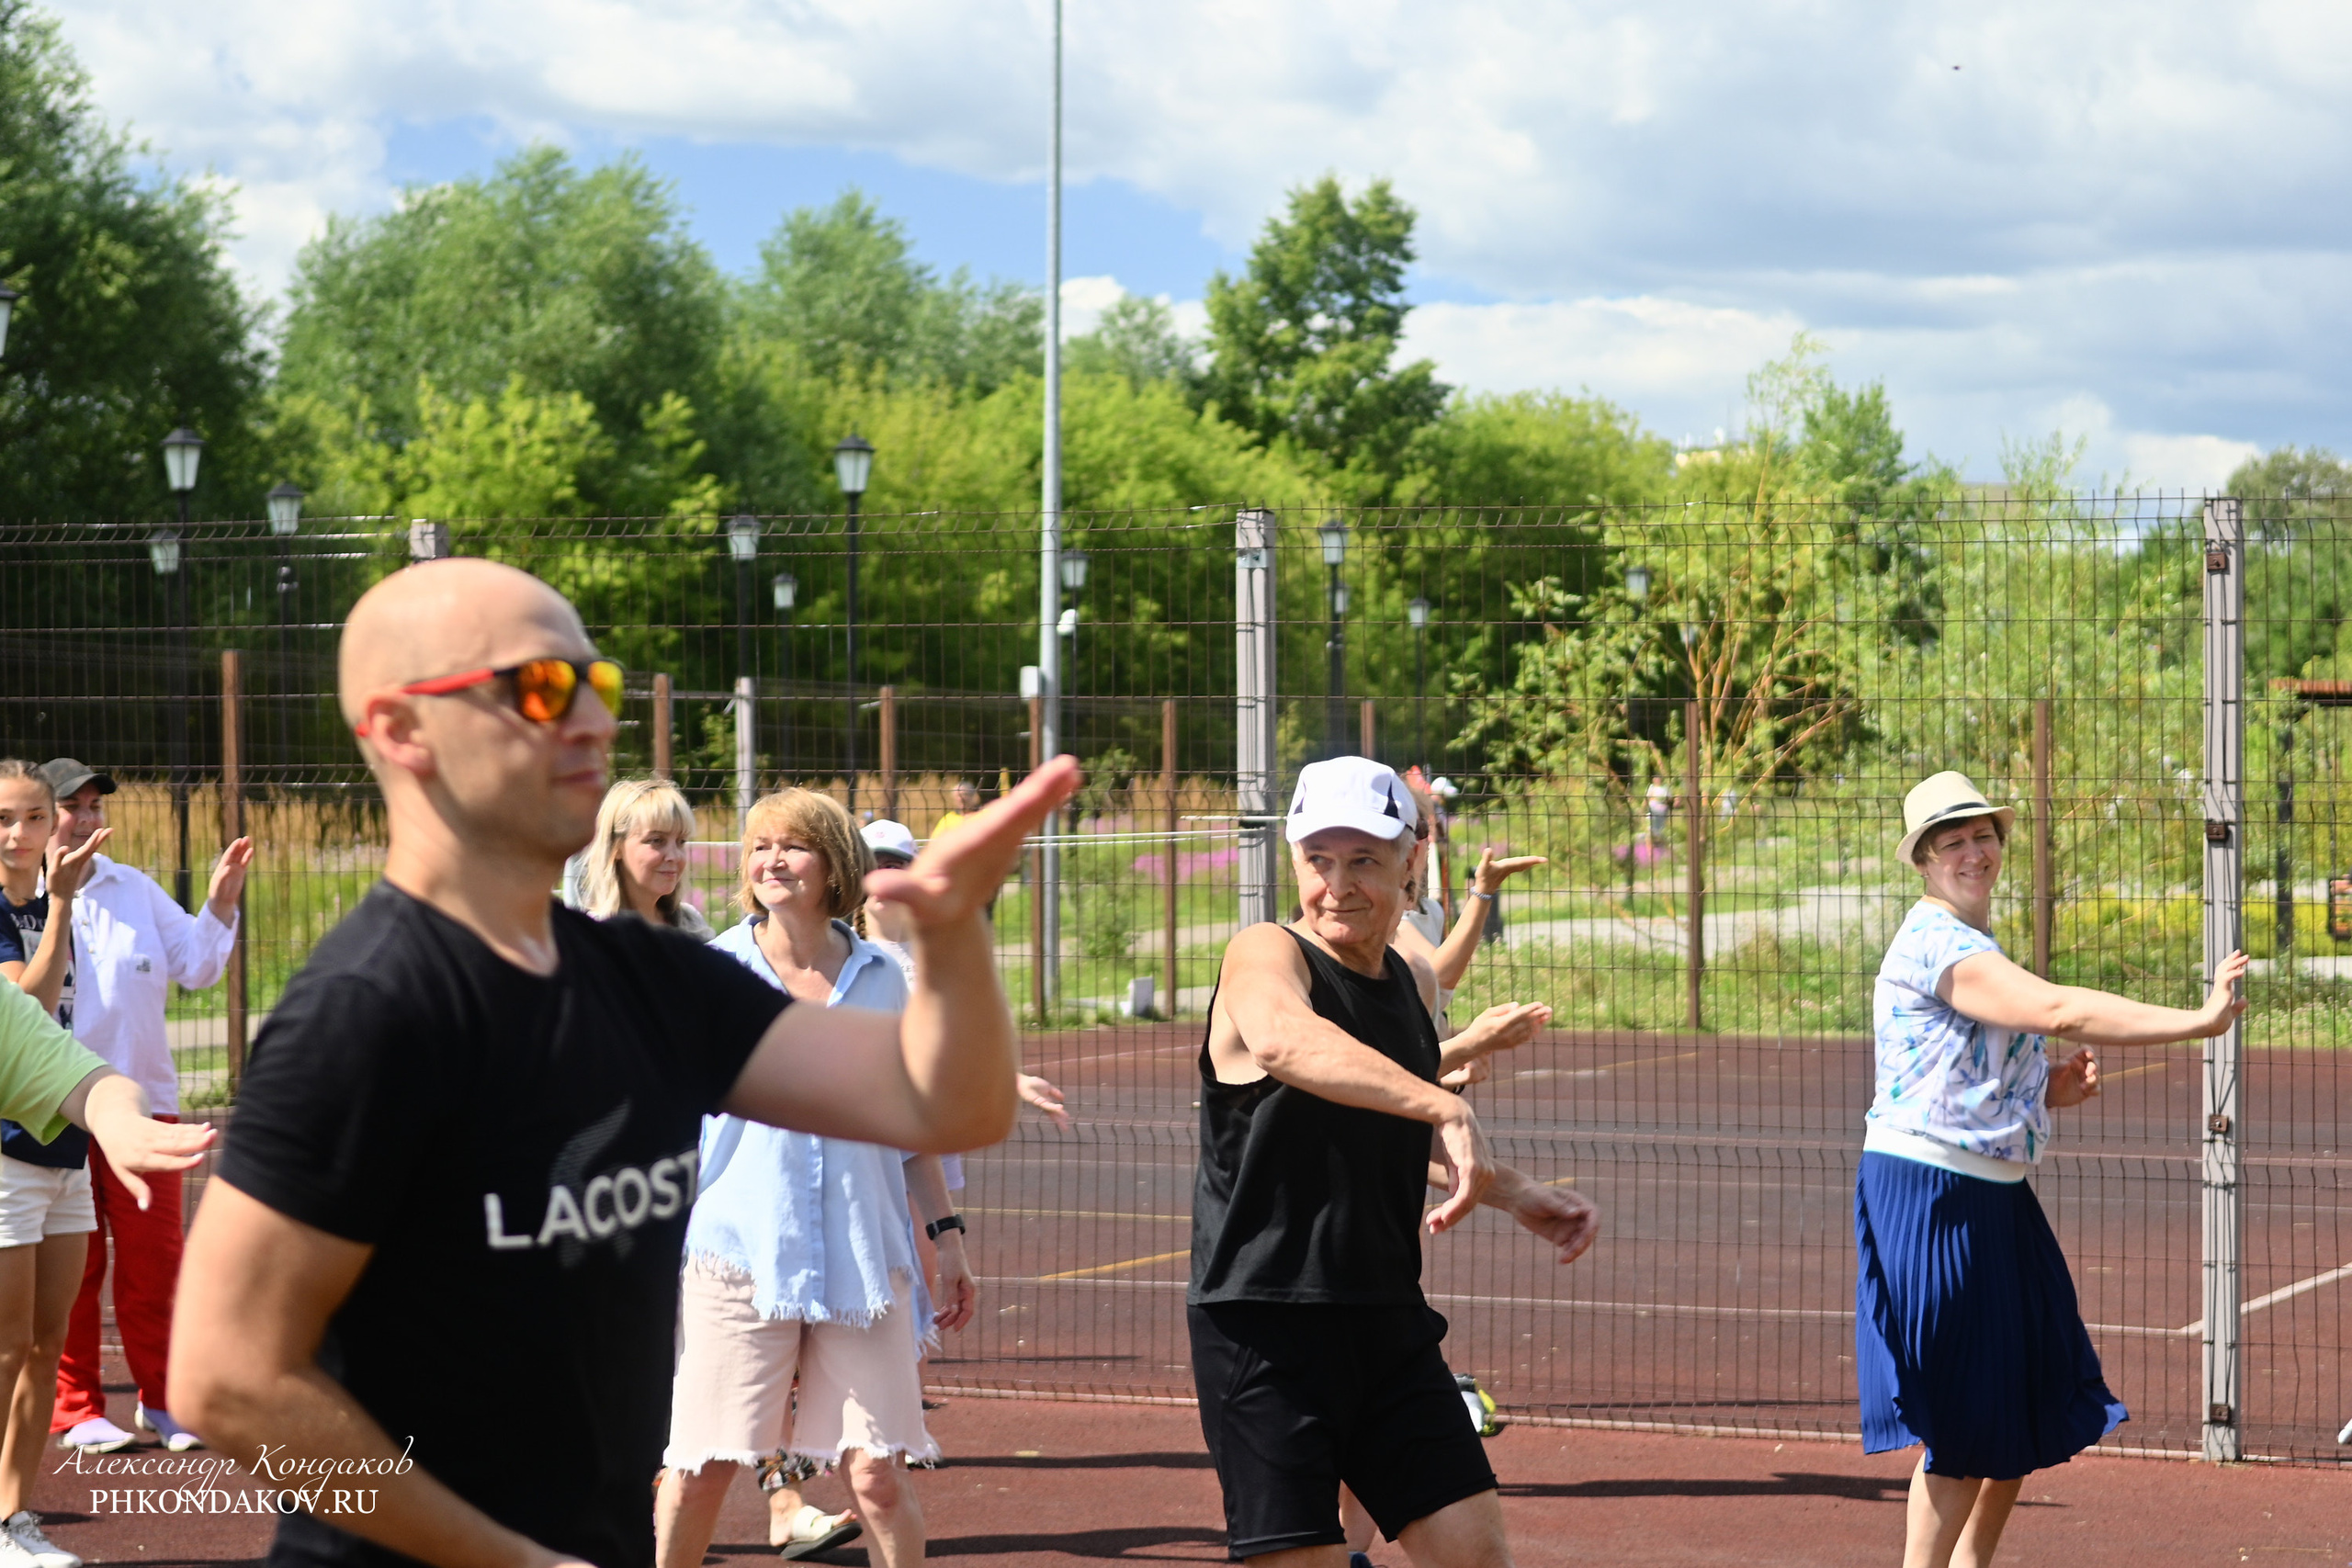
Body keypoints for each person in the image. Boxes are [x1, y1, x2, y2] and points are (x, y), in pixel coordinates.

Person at [168, 558, 1079, 1568]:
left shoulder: (649, 978)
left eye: (595, 688)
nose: (593, 723)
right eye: (540, 690)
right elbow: (223, 1380)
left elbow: (943, 1103)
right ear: (400, 729)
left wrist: (953, 933)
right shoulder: (367, 1012)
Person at [1190, 756, 1599, 1568]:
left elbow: (1380, 1127)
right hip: (1266, 1323)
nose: (1337, 885)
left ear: (1412, 862)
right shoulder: (1266, 954)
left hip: (1385, 1319)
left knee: (1474, 1553)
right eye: (1318, 861)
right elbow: (1283, 1040)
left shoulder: (1408, 979)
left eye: (1365, 861)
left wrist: (1513, 1191)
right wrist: (1444, 1100)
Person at [1860, 772, 2249, 1568]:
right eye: (1953, 841)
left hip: (1994, 1194)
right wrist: (2201, 1020)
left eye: (1984, 835)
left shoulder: (1977, 946)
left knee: (2029, 1394)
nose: (1975, 851)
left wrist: (2052, 1090)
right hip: (1932, 1194)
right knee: (1967, 1415)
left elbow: (1976, 1073)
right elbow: (2057, 1009)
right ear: (1925, 862)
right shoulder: (1937, 942)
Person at [651, 789, 965, 1568]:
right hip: (738, 1255)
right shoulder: (711, 970)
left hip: (862, 1256)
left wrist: (947, 1235)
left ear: (835, 866)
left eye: (793, 845)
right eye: (760, 845)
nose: (772, 860)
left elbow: (912, 1124)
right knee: (700, 1473)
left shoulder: (884, 976)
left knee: (879, 1477)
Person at [39, 758, 251, 1457]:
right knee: (76, 1265)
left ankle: (163, 1399)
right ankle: (75, 1406)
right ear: (40, 818)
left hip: (148, 1105)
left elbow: (196, 964)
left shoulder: (135, 886)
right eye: (75, 806)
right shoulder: (20, 897)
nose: (90, 817)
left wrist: (219, 903)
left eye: (96, 805)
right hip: (57, 1110)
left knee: (155, 1262)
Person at [0, 760, 115, 1568]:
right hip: (4, 1150)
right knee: (5, 1345)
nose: (18, 833)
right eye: (3, 818)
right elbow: (31, 1008)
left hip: (64, 1151)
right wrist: (66, 901)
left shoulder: (54, 904)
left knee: (49, 1339)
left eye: (33, 817)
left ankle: (16, 1518)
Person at [571, 779, 713, 939]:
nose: (673, 856)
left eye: (681, 842)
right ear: (616, 847)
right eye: (657, 840)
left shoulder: (691, 925)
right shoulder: (593, 938)